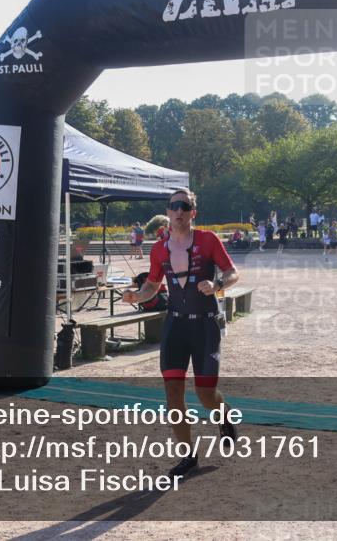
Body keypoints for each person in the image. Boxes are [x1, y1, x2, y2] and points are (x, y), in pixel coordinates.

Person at [122, 189, 240, 479]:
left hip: (204, 324)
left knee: (205, 394)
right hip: (175, 325)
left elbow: (232, 272)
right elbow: (152, 285)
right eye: (174, 206)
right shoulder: (158, 249)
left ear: (192, 212)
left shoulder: (208, 240)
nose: (178, 211)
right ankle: (188, 456)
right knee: (172, 392)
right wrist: (137, 296)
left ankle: (223, 414)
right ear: (168, 211)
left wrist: (217, 285)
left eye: (184, 206)